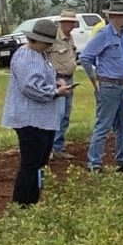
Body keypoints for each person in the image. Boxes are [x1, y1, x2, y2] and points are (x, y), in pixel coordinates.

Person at [2, 18, 75, 204]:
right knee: (30, 165)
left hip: (42, 120)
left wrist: (55, 82)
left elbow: (41, 78)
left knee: (39, 164)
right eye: (48, 43)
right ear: (37, 40)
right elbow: (31, 87)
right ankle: (23, 205)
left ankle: (33, 202)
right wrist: (56, 92)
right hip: (30, 120)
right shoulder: (26, 56)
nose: (50, 46)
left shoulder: (39, 55)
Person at [79, 0, 123, 172]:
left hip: (122, 84)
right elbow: (86, 57)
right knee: (103, 125)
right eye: (120, 16)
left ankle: (122, 161)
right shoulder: (104, 34)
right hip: (108, 85)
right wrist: (95, 81)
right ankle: (94, 163)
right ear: (111, 17)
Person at [46, 8, 79, 159]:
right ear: (62, 22)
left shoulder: (70, 37)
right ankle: (50, 148)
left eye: (73, 22)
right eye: (68, 22)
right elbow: (45, 59)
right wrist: (53, 78)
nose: (71, 25)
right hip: (57, 80)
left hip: (69, 78)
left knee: (65, 115)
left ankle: (58, 147)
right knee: (57, 115)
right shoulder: (53, 38)